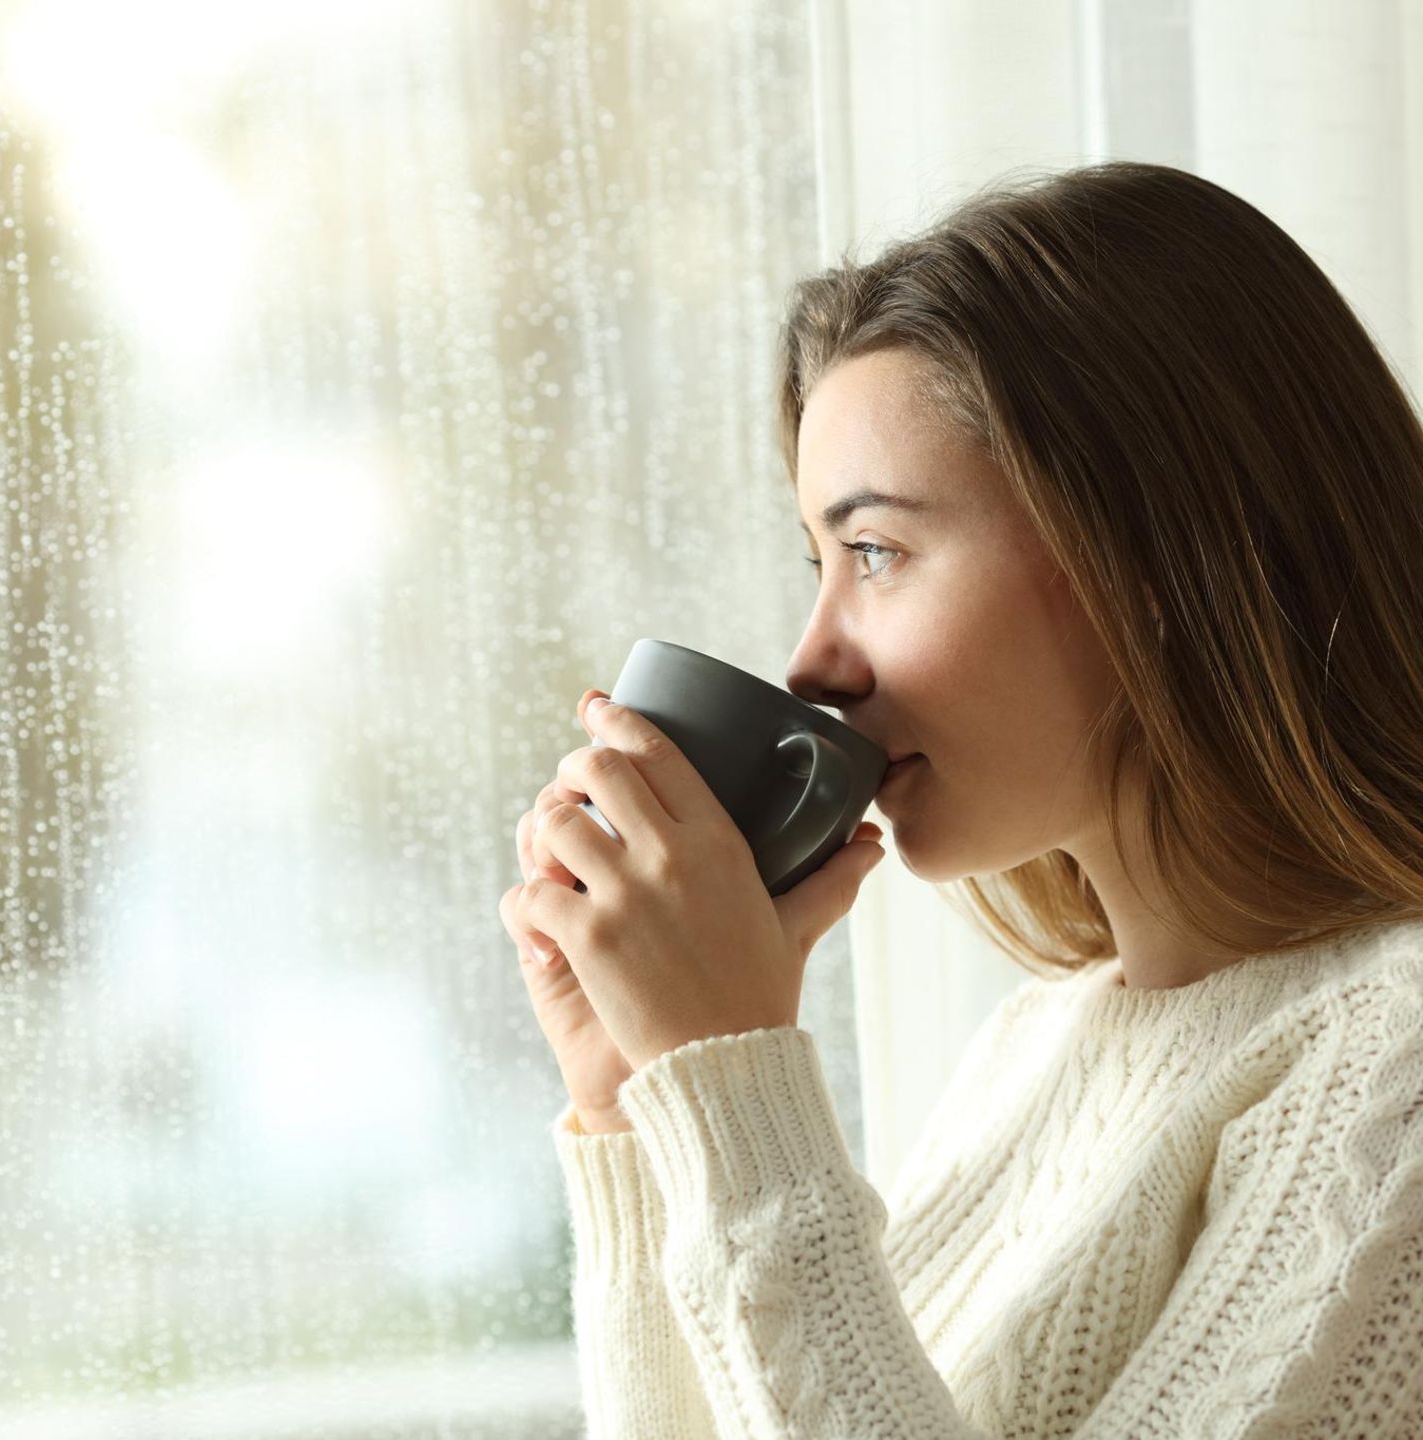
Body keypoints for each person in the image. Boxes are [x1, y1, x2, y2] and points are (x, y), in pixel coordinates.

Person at [500, 160, 1423, 1436]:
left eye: (874, 551)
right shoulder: (1031, 1054)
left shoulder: (1399, 1074)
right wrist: (639, 1118)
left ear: (1150, 555)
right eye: (820, 562)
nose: (814, 660)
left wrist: (732, 1086)